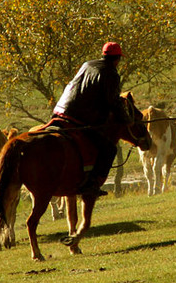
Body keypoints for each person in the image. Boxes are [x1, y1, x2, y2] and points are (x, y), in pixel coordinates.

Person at [51, 41, 128, 198]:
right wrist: (125, 119)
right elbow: (112, 102)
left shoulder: (87, 64)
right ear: (117, 59)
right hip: (78, 117)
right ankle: (92, 183)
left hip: (59, 110)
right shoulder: (111, 73)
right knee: (108, 148)